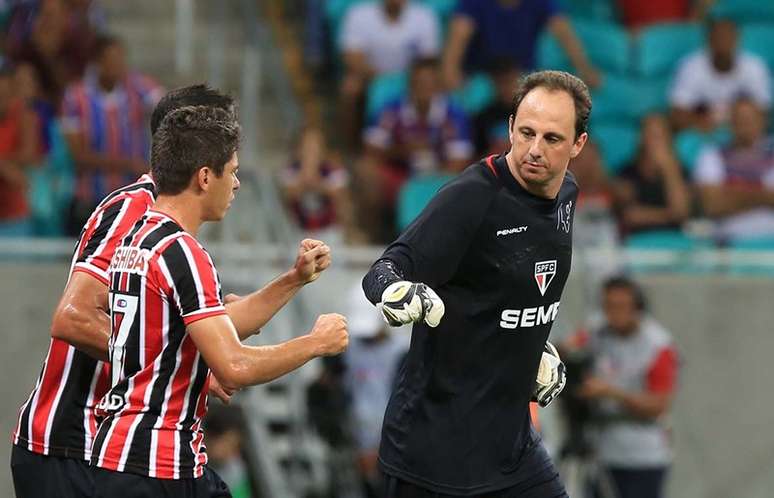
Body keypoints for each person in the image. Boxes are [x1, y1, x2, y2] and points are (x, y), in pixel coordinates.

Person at [9, 84, 308, 498]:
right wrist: (176, 376)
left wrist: (291, 281)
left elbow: (174, 335)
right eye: (220, 134)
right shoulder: (135, 209)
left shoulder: (176, 231)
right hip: (70, 442)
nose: (233, 171)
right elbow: (73, 317)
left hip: (115, 448)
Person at [89, 105, 348, 497]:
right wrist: (316, 343)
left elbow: (190, 332)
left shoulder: (137, 240)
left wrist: (294, 280)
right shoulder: (185, 253)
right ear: (206, 177)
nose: (238, 184)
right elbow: (234, 366)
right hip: (158, 464)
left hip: (122, 456)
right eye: (234, 171)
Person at [361, 70, 588, 497]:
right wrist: (395, 291)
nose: (534, 150)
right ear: (509, 128)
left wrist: (531, 346)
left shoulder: (567, 196)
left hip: (512, 452)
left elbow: (507, 292)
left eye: (552, 139)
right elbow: (386, 269)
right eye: (526, 133)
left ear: (578, 144)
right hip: (433, 456)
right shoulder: (472, 197)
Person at [573, 276, 679, 498]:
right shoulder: (596, 332)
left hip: (641, 455)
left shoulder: (658, 345)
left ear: (637, 307)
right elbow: (567, 349)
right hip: (600, 451)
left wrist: (611, 393)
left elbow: (659, 404)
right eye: (608, 306)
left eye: (621, 306)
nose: (614, 313)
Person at [61, 34, 163, 234]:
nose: (117, 67)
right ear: (97, 63)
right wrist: (127, 164)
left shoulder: (135, 90)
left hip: (133, 199)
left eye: (120, 60)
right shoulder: (76, 97)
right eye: (111, 61)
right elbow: (79, 156)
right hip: (90, 198)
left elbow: (167, 101)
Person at [339, 0, 440, 148]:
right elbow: (352, 57)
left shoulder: (424, 16)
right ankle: (351, 147)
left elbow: (427, 61)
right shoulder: (359, 14)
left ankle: (431, 143)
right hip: (371, 76)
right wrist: (380, 78)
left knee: (430, 84)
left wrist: (408, 79)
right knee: (350, 87)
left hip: (411, 77)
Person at [441, 0, 600, 90]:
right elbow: (457, 39)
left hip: (523, 75)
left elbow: (564, 33)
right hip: (485, 79)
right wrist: (450, 75)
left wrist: (585, 68)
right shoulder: (474, 3)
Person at [693, 97, 774, 243]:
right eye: (740, 120)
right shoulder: (711, 155)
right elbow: (713, 205)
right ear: (731, 124)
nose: (745, 125)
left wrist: (732, 192)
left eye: (750, 119)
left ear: (762, 121)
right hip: (728, 239)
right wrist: (763, 194)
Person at [669, 16, 771, 131]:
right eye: (718, 37)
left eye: (728, 37)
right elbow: (677, 114)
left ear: (737, 40)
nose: (723, 43)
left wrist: (739, 125)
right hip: (704, 132)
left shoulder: (755, 67)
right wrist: (702, 124)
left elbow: (764, 111)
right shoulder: (690, 67)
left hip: (744, 131)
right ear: (708, 40)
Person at [614, 114, 691, 237]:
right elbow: (630, 216)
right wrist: (670, 215)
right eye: (652, 135)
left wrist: (669, 170)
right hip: (638, 242)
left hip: (675, 241)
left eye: (661, 136)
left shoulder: (680, 171)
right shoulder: (627, 172)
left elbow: (681, 211)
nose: (656, 142)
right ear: (641, 138)